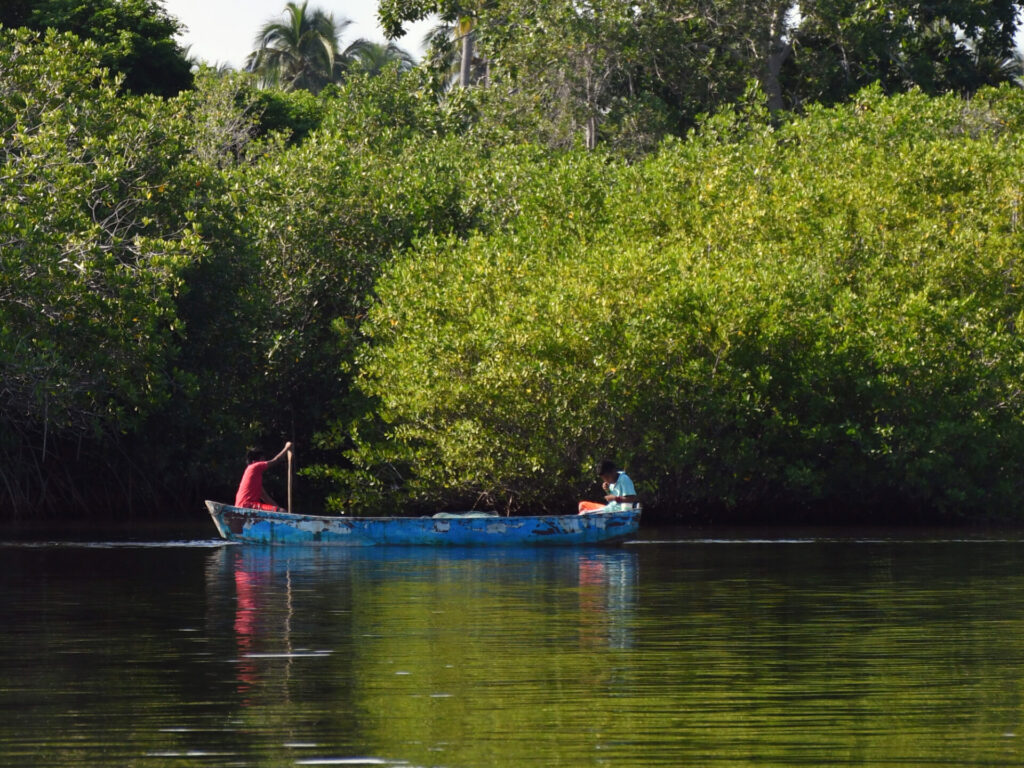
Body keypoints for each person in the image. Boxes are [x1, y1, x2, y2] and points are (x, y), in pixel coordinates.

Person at [234, 441, 292, 511]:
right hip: (247, 505)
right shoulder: (255, 466)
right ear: (256, 459)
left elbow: (265, 497)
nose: (264, 461)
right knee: (281, 511)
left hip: (243, 505)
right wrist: (286, 447)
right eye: (262, 459)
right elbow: (276, 460)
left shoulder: (253, 474)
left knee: (280, 511)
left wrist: (279, 509)